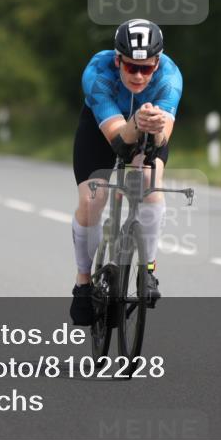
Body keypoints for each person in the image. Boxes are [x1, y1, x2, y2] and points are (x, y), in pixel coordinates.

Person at [69, 19, 183, 326]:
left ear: (157, 63)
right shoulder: (98, 73)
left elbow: (162, 140)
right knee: (94, 199)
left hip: (147, 128)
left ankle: (148, 271)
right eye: (130, 66)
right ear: (118, 59)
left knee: (148, 181)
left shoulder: (170, 78)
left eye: (146, 68)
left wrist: (156, 130)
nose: (137, 75)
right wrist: (137, 122)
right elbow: (119, 142)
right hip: (101, 130)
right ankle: (83, 282)